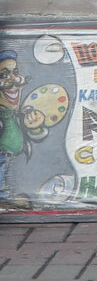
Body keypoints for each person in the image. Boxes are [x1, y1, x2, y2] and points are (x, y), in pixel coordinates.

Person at [0, 50, 48, 209]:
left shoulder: (15, 112)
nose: (13, 81)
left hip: (7, 155)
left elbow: (33, 134)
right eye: (4, 75)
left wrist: (35, 127)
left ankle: (4, 196)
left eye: (15, 73)